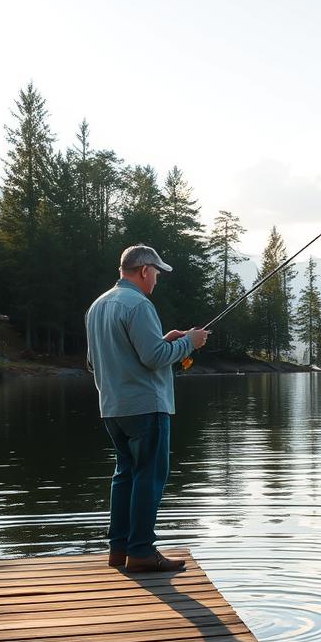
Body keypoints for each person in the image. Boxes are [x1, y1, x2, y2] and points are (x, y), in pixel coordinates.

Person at [86, 244, 210, 571]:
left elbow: (94, 362)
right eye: (156, 273)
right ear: (144, 271)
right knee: (149, 477)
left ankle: (119, 550)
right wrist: (189, 342)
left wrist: (166, 340)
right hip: (146, 408)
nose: (156, 280)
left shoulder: (97, 306)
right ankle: (140, 551)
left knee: (125, 475)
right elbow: (154, 358)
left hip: (113, 409)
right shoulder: (139, 305)